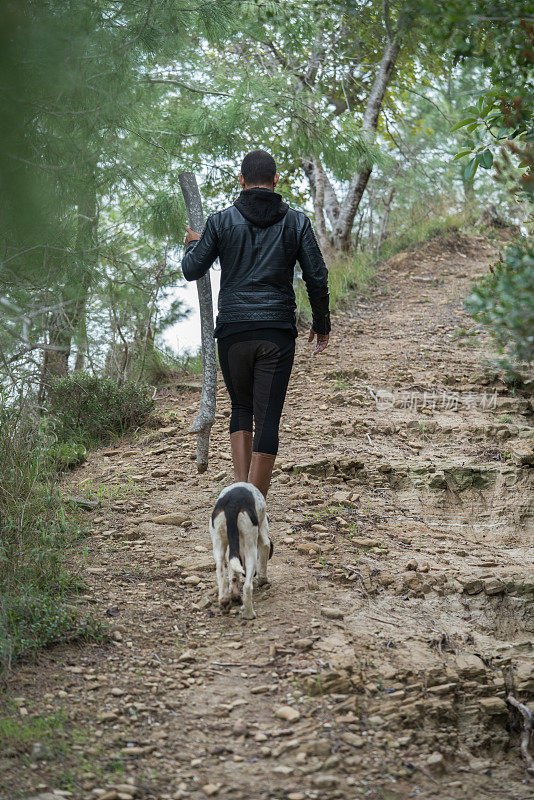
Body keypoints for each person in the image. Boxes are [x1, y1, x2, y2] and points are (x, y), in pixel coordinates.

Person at [181, 149, 330, 500]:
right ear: (276, 181)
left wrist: (193, 245)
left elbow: (192, 269)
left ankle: (241, 499)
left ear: (241, 180)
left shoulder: (219, 222)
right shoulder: (296, 222)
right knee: (268, 419)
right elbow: (317, 276)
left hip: (233, 333)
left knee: (241, 409)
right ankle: (253, 506)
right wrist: (322, 322)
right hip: (276, 334)